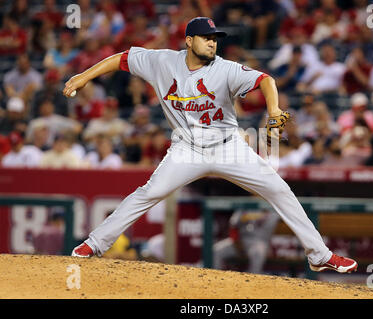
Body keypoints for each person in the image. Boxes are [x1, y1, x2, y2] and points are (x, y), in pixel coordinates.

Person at [66, 17, 357, 274]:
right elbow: (122, 57)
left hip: (228, 146)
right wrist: (83, 76)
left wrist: (274, 110)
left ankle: (319, 255)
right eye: (207, 38)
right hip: (186, 149)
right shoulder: (163, 62)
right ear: (189, 40)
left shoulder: (226, 69)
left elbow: (265, 80)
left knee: (278, 189)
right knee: (148, 193)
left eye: (215, 39)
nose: (212, 43)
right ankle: (95, 244)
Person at [214, 209, 280, 274]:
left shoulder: (274, 211)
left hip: (259, 242)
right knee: (216, 250)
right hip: (241, 240)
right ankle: (215, 278)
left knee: (258, 252)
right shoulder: (247, 206)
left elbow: (268, 234)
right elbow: (233, 224)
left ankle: (253, 280)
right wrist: (237, 241)